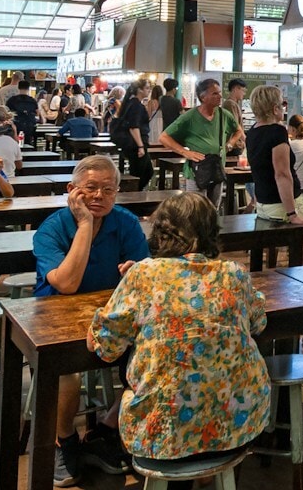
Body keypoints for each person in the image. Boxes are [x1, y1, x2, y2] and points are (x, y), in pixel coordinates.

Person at [87, 192, 270, 479]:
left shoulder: (144, 274)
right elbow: (259, 322)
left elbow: (106, 346)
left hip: (162, 434)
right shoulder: (233, 273)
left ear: (161, 230)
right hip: (240, 424)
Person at [34, 156, 151, 485]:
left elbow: (145, 275)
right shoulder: (53, 228)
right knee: (65, 375)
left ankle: (107, 428)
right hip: (55, 315)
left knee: (152, 358)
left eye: (108, 190)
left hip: (110, 316)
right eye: (90, 189)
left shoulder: (125, 223)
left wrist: (136, 273)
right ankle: (64, 440)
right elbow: (67, 284)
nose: (99, 196)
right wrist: (84, 224)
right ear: (72, 191)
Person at [246, 85, 303, 262]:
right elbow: (282, 174)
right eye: (282, 104)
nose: (284, 108)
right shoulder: (277, 132)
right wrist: (292, 213)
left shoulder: (253, 132)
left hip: (264, 205)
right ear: (274, 108)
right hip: (284, 206)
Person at [160, 78, 243, 210]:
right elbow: (164, 137)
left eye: (220, 92)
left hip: (217, 168)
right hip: (196, 171)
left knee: (213, 209)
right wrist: (185, 152)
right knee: (195, 209)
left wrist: (230, 143)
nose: (220, 96)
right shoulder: (190, 116)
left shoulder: (224, 115)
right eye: (215, 93)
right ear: (203, 97)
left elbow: (238, 130)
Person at [111, 86, 153, 189]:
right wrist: (140, 146)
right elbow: (133, 127)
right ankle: (132, 195)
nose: (149, 90)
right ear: (139, 89)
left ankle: (134, 193)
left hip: (130, 144)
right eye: (147, 88)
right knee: (140, 173)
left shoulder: (130, 103)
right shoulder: (136, 105)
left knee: (145, 171)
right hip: (135, 144)